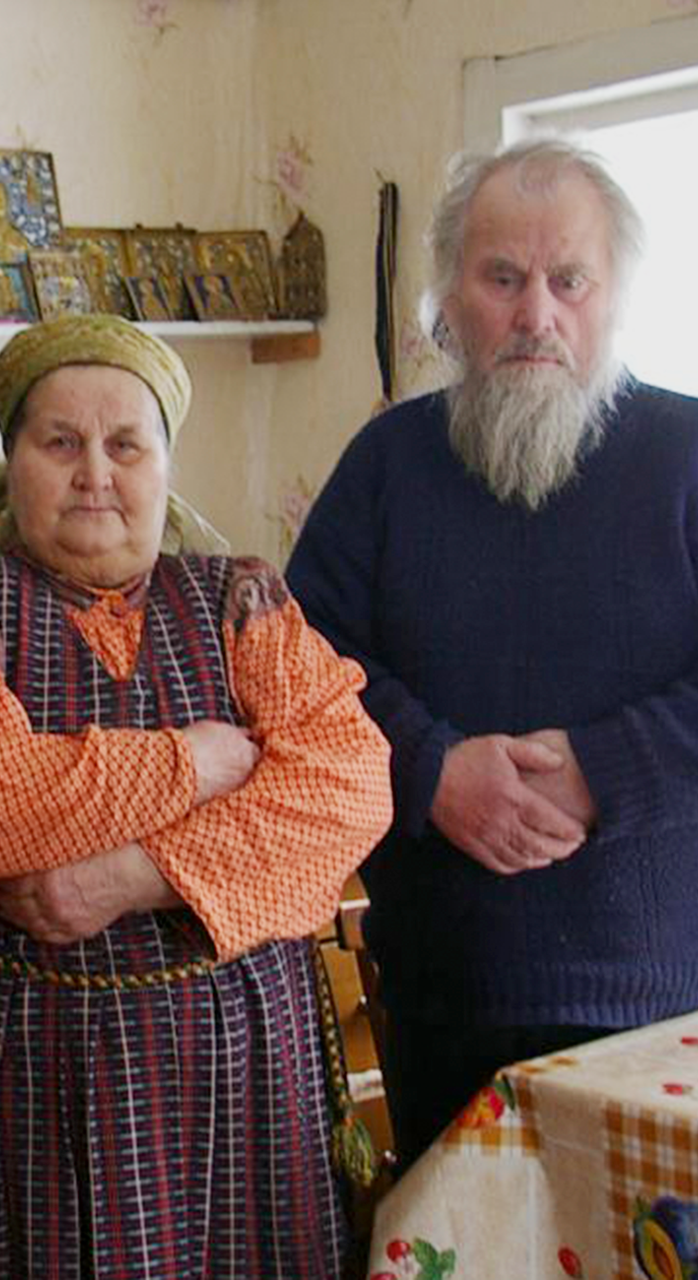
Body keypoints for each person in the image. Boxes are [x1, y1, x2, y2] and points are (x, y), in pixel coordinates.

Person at [0, 312, 393, 1278]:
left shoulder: (242, 600)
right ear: (15, 465)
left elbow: (345, 787)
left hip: (240, 1097)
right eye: (61, 443)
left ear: (166, 465)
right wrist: (193, 764)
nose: (95, 471)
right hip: (4, 1093)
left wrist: (130, 876)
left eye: (125, 444)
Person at [285, 137, 698, 1169]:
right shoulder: (385, 463)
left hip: (667, 1011)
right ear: (448, 294)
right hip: (439, 994)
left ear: (612, 296)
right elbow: (294, 663)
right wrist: (431, 768)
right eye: (501, 278)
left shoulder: (687, 453)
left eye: (567, 281)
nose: (535, 315)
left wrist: (606, 769)